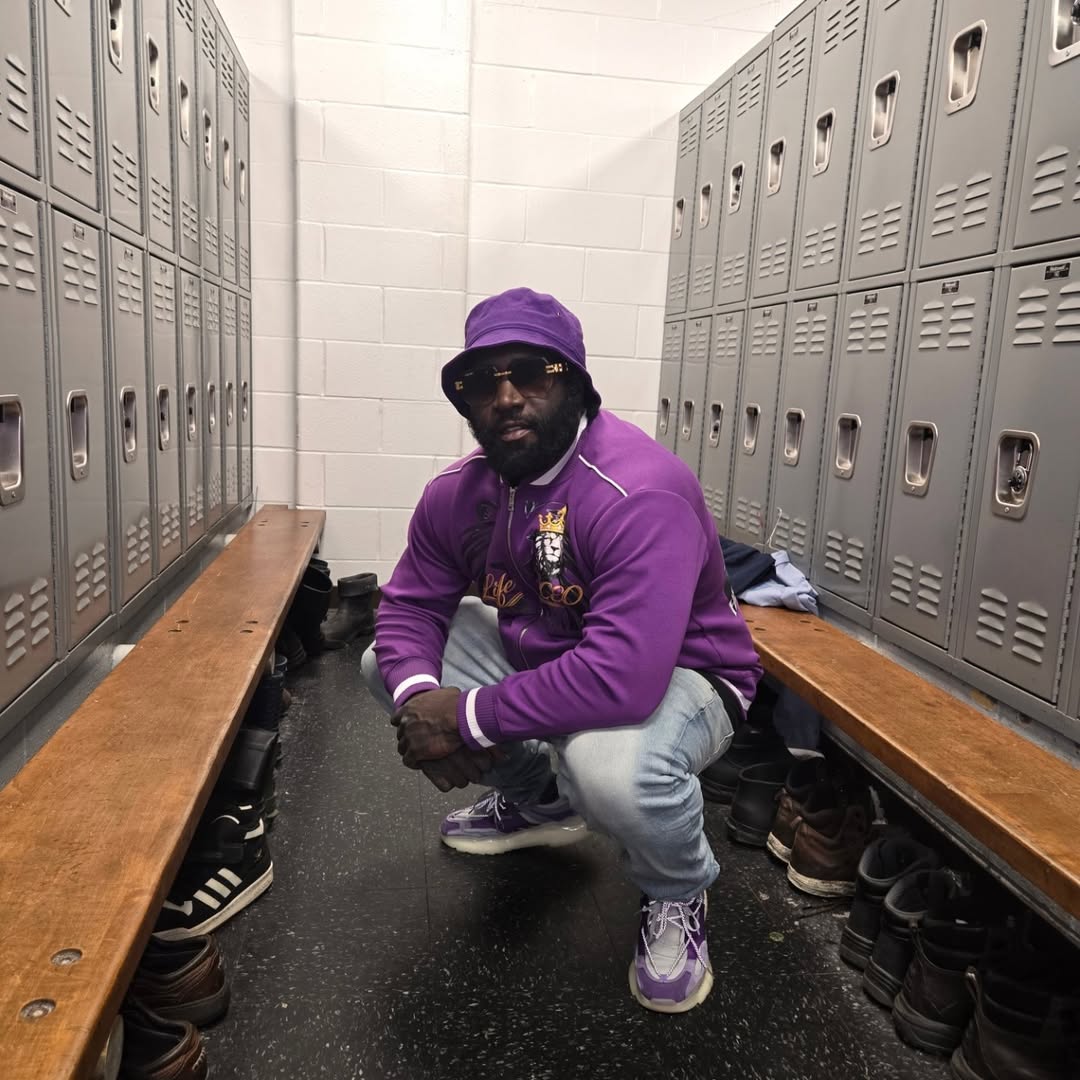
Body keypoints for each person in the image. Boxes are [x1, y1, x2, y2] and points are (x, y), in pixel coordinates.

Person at [361, 287, 762, 1013]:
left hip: (685, 674)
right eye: (482, 382)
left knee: (608, 769)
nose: (506, 397)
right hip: (553, 650)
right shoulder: (458, 493)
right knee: (388, 669)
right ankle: (539, 804)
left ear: (574, 382)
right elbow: (411, 606)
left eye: (531, 373)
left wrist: (466, 719)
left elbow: (623, 677)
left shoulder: (640, 489)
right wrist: (423, 702)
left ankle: (676, 890)